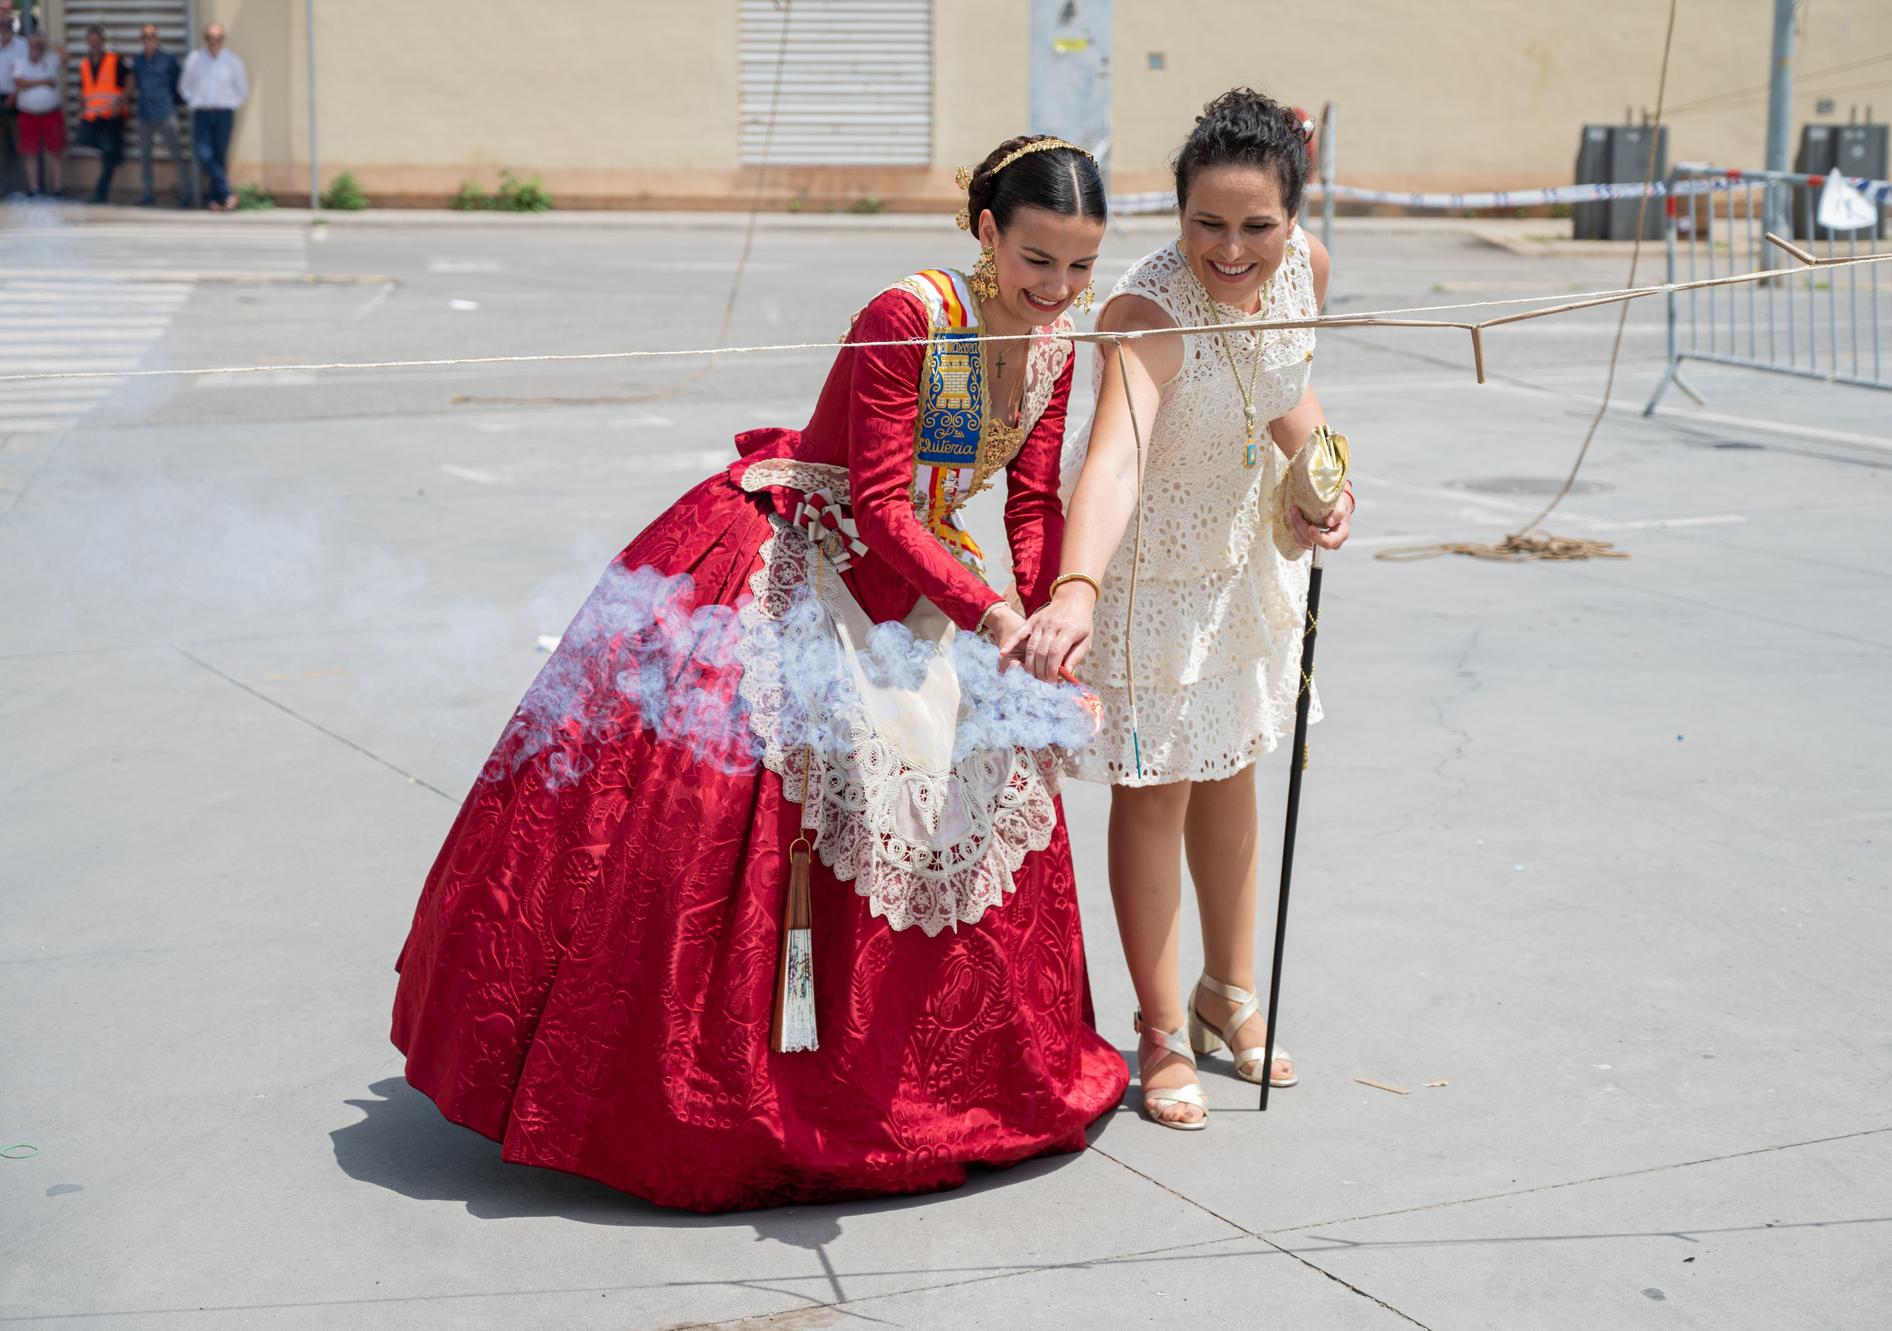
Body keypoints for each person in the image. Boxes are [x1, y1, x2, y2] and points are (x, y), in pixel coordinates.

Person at [391, 136, 1127, 1212]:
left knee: (980, 779)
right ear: (985, 232)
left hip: (921, 573)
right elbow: (875, 504)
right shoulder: (912, 317)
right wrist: (994, 613)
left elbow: (1025, 501)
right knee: (739, 814)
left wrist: (1050, 605)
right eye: (1036, 262)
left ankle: (944, 1080)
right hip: (806, 553)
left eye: (1078, 267)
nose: (1058, 290)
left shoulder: (1056, 340)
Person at [1004, 89, 1356, 1130]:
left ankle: (1227, 994)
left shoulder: (1310, 268)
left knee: (1233, 766)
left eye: (1256, 226)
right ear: (1176, 212)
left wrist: (1323, 473)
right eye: (1206, 223)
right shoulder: (1145, 311)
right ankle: (1159, 1030)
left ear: (1293, 217)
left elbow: (1280, 378)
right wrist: (1076, 586)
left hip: (1242, 554)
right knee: (1156, 786)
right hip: (1147, 570)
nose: (1232, 249)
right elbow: (1110, 462)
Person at [178, 22, 245, 211]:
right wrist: (193, 101)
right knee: (203, 154)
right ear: (205, 39)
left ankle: (215, 200)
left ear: (223, 40)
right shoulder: (195, 59)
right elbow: (184, 86)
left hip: (224, 114)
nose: (214, 41)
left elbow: (242, 90)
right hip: (202, 114)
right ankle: (228, 193)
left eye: (218, 38)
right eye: (210, 37)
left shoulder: (233, 61)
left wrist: (230, 104)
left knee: (219, 156)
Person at [129, 23, 191, 208]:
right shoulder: (138, 60)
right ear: (141, 40)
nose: (150, 40)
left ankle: (186, 194)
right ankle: (148, 194)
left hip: (165, 113)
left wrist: (172, 103)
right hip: (144, 114)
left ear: (158, 38)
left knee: (177, 154)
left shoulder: (168, 59)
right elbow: (135, 83)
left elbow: (178, 83)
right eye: (146, 37)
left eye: (153, 36)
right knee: (145, 157)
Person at [77, 24, 128, 204]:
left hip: (112, 116)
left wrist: (121, 101)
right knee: (83, 140)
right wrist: (81, 108)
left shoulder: (114, 60)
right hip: (92, 117)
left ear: (103, 42)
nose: (94, 44)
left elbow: (130, 80)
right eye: (91, 41)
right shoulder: (84, 64)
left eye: (97, 41)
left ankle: (101, 193)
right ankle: (116, 153)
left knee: (108, 155)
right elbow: (85, 90)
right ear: (87, 42)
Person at [10, 31, 61, 198]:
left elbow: (67, 57)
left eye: (40, 45)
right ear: (28, 46)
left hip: (50, 113)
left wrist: (50, 43)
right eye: (33, 45)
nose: (36, 49)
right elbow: (19, 82)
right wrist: (45, 81)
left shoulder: (52, 59)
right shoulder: (20, 62)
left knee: (55, 151)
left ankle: (57, 188)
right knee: (30, 152)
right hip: (28, 114)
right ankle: (33, 188)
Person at [0, 19, 22, 197]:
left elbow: (25, 70)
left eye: (6, 26)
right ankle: (3, 187)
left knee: (18, 144)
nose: (3, 30)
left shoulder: (21, 46)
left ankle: (20, 186)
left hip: (15, 98)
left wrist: (15, 94)